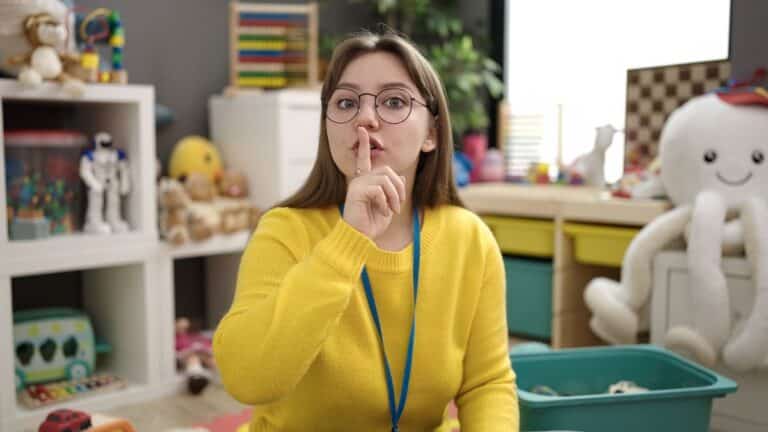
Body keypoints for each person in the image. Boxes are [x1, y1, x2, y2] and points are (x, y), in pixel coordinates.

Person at [214, 30, 519, 431]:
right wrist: (348, 240)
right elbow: (246, 378)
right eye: (346, 102)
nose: (366, 118)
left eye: (394, 101)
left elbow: (487, 383)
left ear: (432, 133)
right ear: (328, 128)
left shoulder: (470, 240)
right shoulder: (283, 231)